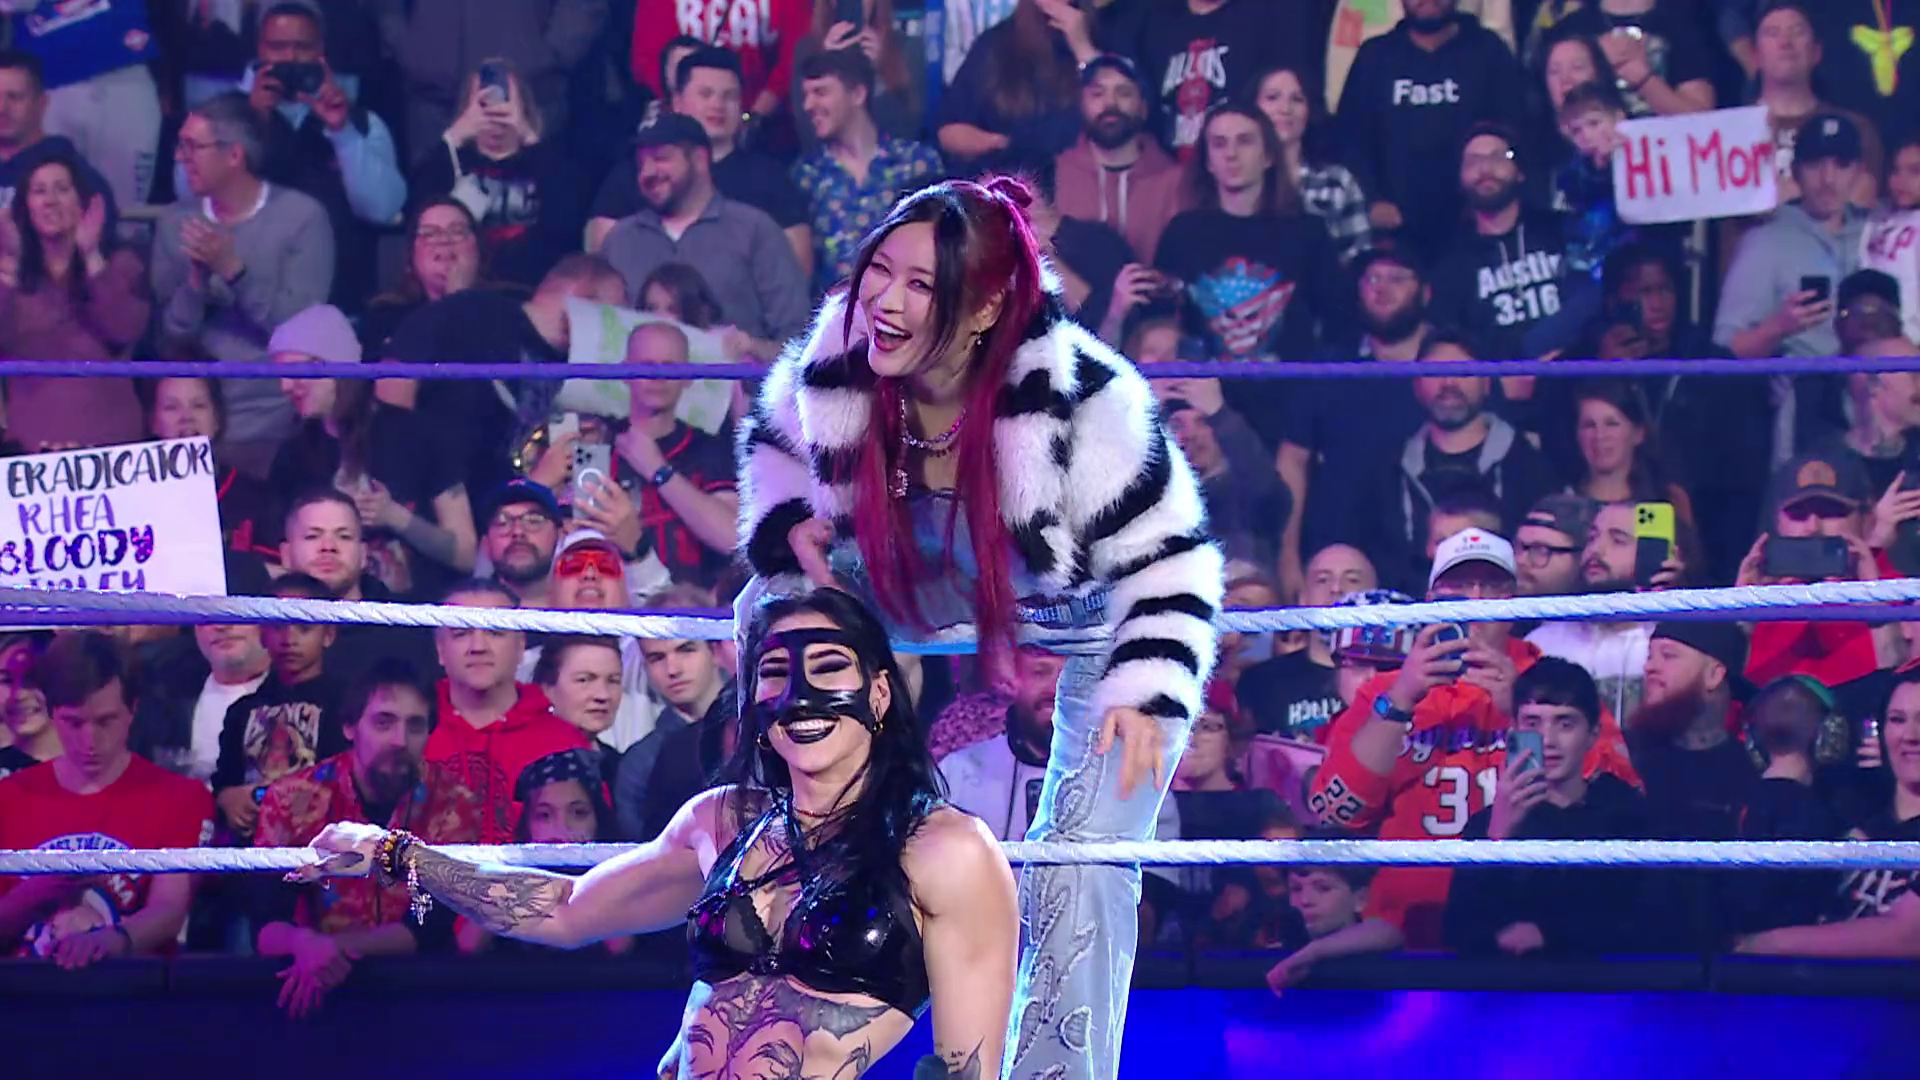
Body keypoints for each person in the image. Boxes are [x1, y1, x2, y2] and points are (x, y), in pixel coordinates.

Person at [735, 176, 1221, 1080]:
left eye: (921, 284)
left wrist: (1148, 691)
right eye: (880, 271)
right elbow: (772, 449)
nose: (885, 302)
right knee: (767, 603)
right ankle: (794, 855)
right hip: (909, 579)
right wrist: (791, 521)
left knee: (1083, 858)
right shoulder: (839, 359)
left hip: (1084, 618)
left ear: (986, 305)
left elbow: (1176, 558)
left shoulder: (1087, 400)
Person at [301, 585, 1019, 1079]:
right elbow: (565, 909)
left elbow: (970, 1070)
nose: (798, 697)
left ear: (879, 693)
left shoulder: (945, 849)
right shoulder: (722, 821)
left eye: (828, 668)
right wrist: (399, 854)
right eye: (775, 673)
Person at [253, 660, 479, 1016]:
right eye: (383, 722)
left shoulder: (454, 802)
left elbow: (429, 926)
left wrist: (329, 947)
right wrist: (303, 943)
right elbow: (265, 922)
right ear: (349, 727)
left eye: (415, 725)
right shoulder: (290, 799)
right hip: (312, 990)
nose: (400, 740)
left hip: (420, 993)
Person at [0, 633, 213, 965]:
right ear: (53, 713)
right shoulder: (8, 798)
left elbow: (169, 909)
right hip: (25, 989)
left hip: (129, 989)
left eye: (105, 721)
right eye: (74, 723)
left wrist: (111, 941)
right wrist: (35, 893)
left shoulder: (180, 797)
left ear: (133, 710)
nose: (90, 741)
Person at [153, 91, 334, 476]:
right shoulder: (174, 223)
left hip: (275, 426)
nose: (180, 157)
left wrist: (234, 272)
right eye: (180, 145)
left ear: (234, 155)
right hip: (191, 429)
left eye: (192, 146)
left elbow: (301, 335)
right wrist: (196, 283)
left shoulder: (302, 219)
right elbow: (173, 337)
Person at [1441, 657, 1654, 957]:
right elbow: (1459, 931)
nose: (1548, 740)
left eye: (1565, 724)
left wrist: (1552, 935)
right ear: (1514, 731)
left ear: (1592, 734)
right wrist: (1497, 840)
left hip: (1599, 982)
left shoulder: (1625, 814)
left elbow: (1648, 922)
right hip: (1510, 983)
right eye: (1533, 723)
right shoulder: (1487, 823)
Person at [270, 304, 477, 599]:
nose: (285, 387)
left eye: (293, 372)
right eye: (279, 375)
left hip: (415, 614)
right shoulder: (293, 455)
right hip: (326, 618)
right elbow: (281, 560)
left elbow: (466, 554)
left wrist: (395, 517)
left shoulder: (419, 435)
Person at [1734, 668, 1920, 959]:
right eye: (1897, 719)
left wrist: (1763, 944)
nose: (1911, 735)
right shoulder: (1843, 819)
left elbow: (1909, 935)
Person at [1717, 112, 1870, 464]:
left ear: (1859, 171)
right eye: (1816, 165)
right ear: (1796, 171)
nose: (1828, 179)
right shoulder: (1765, 240)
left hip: (1884, 413)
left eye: (1841, 165)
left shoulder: (1878, 230)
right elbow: (1725, 350)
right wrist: (1778, 327)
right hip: (1806, 415)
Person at [234, 2, 407, 313]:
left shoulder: (362, 123)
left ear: (320, 51)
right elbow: (194, 193)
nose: (290, 57)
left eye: (302, 47)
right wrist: (251, 120)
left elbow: (383, 209)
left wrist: (342, 132)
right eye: (278, 47)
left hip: (339, 306)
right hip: (247, 303)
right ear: (260, 49)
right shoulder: (225, 117)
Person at [600, 111, 809, 360]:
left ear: (699, 160)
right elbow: (602, 337)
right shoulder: (619, 240)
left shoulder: (754, 229)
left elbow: (799, 341)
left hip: (738, 384)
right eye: (641, 163)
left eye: (660, 158)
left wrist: (752, 347)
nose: (648, 172)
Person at [1153, 102, 1341, 366]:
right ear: (1208, 162)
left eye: (1244, 142)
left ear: (1268, 156)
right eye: (1219, 144)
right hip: (1203, 386)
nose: (1231, 154)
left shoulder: (1308, 232)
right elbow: (1156, 323)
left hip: (1288, 386)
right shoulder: (1182, 233)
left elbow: (1339, 321)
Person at [1338, 0, 1531, 253]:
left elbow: (1516, 133)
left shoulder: (1488, 51)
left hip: (1478, 227)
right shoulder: (1374, 57)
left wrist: (1492, 195)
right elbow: (1350, 142)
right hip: (1395, 236)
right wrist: (1372, 201)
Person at [0, 146, 149, 453]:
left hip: (113, 445)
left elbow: (123, 331)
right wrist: (9, 267)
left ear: (85, 202)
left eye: (62, 189)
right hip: (32, 446)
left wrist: (91, 257)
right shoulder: (11, 278)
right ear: (25, 206)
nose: (50, 200)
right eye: (39, 191)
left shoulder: (121, 265)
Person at [425, 579, 589, 843]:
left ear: (521, 646)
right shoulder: (410, 730)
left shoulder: (563, 743)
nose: (478, 647)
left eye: (495, 632)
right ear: (440, 650)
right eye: (461, 633)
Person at [407, 58, 585, 289]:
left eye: (504, 101)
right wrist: (454, 136)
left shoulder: (547, 162)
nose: (495, 114)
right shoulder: (451, 162)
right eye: (484, 103)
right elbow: (418, 215)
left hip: (531, 287)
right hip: (463, 288)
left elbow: (567, 224)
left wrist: (528, 136)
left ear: (522, 107)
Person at [791, 48, 943, 293]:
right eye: (805, 95)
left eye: (820, 92)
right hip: (836, 311)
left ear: (858, 94)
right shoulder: (806, 175)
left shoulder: (916, 162)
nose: (808, 105)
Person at [1429, 123, 1576, 361]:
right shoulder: (1451, 263)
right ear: (1460, 178)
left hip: (1580, 367)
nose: (1485, 169)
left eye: (1498, 157)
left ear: (1520, 171)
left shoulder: (1562, 230)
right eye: (1473, 161)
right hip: (1502, 379)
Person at [1052, 53, 1184, 269]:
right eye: (1097, 94)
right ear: (1081, 104)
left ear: (1144, 108)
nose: (1110, 103)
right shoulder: (1055, 173)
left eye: (1124, 93)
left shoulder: (1175, 180)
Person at [937, 0, 1095, 176]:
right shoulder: (996, 44)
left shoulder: (1103, 37)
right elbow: (949, 132)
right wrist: (996, 143)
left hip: (1081, 180)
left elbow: (1112, 115)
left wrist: (1084, 49)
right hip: (1006, 177)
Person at [1249, 64, 1374, 266]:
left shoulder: (1337, 181)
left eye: (1297, 99)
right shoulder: (1233, 177)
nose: (1285, 109)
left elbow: (1359, 262)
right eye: (1272, 98)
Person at [359, 197, 487, 359]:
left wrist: (461, 299)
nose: (444, 240)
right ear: (411, 258)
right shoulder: (384, 318)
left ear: (478, 251)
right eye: (429, 234)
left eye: (458, 232)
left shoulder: (509, 306)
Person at [790, 0, 921, 152]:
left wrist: (880, 72)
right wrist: (826, 65)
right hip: (828, 161)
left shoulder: (908, 49)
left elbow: (909, 128)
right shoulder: (807, 51)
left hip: (890, 159)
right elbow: (805, 133)